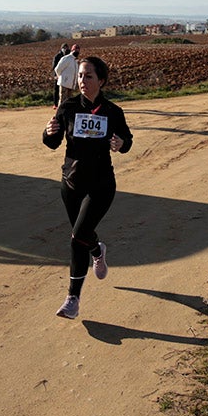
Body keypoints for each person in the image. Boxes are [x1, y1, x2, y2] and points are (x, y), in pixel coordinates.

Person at [42, 56, 133, 319]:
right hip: (71, 183)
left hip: (101, 184)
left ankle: (72, 298)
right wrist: (48, 133)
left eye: (88, 76)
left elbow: (127, 140)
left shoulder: (113, 112)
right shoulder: (67, 107)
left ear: (101, 80)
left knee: (77, 237)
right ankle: (98, 250)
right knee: (82, 236)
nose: (82, 81)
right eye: (80, 76)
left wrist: (120, 143)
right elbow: (53, 142)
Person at [52, 43, 69, 107]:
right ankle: (55, 103)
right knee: (56, 89)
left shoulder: (69, 56)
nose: (65, 49)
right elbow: (54, 67)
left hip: (66, 76)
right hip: (58, 75)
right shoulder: (57, 56)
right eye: (64, 48)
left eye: (66, 48)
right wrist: (55, 75)